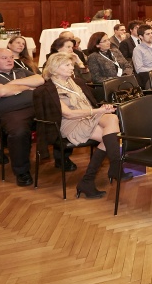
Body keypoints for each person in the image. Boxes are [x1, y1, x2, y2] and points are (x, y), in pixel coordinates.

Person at [33, 53, 128, 199]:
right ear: (55, 68)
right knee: (108, 135)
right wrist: (98, 110)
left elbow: (90, 104)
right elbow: (68, 114)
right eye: (67, 65)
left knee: (112, 119)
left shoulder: (76, 82)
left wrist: (103, 108)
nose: (72, 67)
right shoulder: (49, 89)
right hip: (70, 123)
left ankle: (96, 176)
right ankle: (111, 169)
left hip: (88, 116)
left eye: (72, 65)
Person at [0, 49, 74, 186]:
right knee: (19, 132)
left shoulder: (20, 72)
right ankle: (22, 171)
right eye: (4, 58)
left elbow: (41, 79)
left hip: (38, 106)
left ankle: (62, 158)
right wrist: (27, 86)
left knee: (63, 119)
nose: (10, 60)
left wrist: (14, 85)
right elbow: (1, 91)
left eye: (11, 57)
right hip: (12, 112)